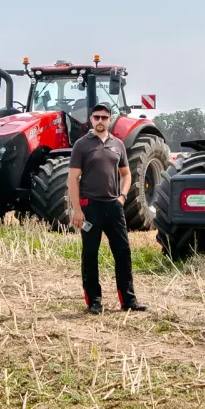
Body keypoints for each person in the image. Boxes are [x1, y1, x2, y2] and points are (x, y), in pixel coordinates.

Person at [68, 103, 147, 314]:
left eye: (104, 117)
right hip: (89, 207)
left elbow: (126, 174)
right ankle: (94, 302)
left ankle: (128, 300)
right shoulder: (81, 145)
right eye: (96, 117)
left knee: (123, 252)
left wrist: (122, 197)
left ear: (110, 119)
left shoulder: (118, 144)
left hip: (113, 206)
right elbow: (72, 178)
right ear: (91, 120)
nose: (100, 121)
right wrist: (77, 209)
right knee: (90, 254)